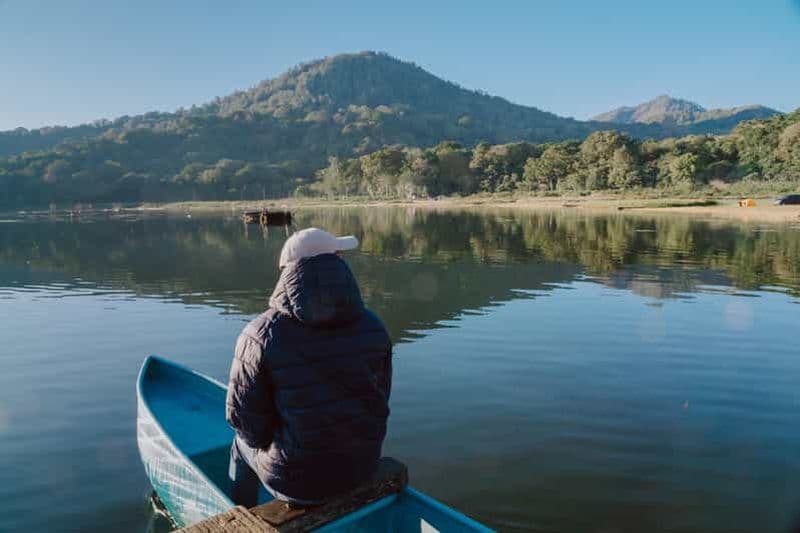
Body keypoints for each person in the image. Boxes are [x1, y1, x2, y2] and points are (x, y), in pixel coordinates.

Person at [225, 227, 392, 507]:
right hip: (362, 467)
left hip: (297, 483)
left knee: (239, 446)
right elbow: (380, 397)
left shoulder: (259, 334)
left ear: (287, 273)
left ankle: (240, 514)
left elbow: (246, 424)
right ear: (336, 262)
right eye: (338, 254)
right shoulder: (373, 325)